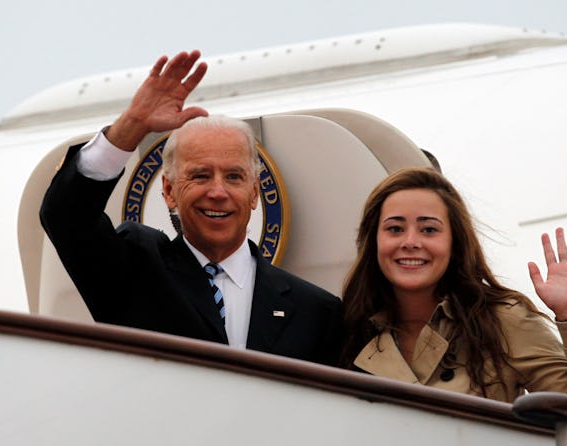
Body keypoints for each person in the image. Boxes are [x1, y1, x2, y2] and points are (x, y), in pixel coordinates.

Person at [40, 50, 342, 365]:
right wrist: (131, 127)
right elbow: (66, 217)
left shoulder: (316, 311)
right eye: (200, 175)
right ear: (169, 192)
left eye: (234, 177)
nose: (217, 192)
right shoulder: (136, 272)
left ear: (255, 193)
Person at [339, 167, 567, 403]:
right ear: (373, 241)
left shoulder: (501, 319)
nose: (411, 242)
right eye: (395, 229)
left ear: (455, 242)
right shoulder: (346, 329)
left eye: (429, 229)